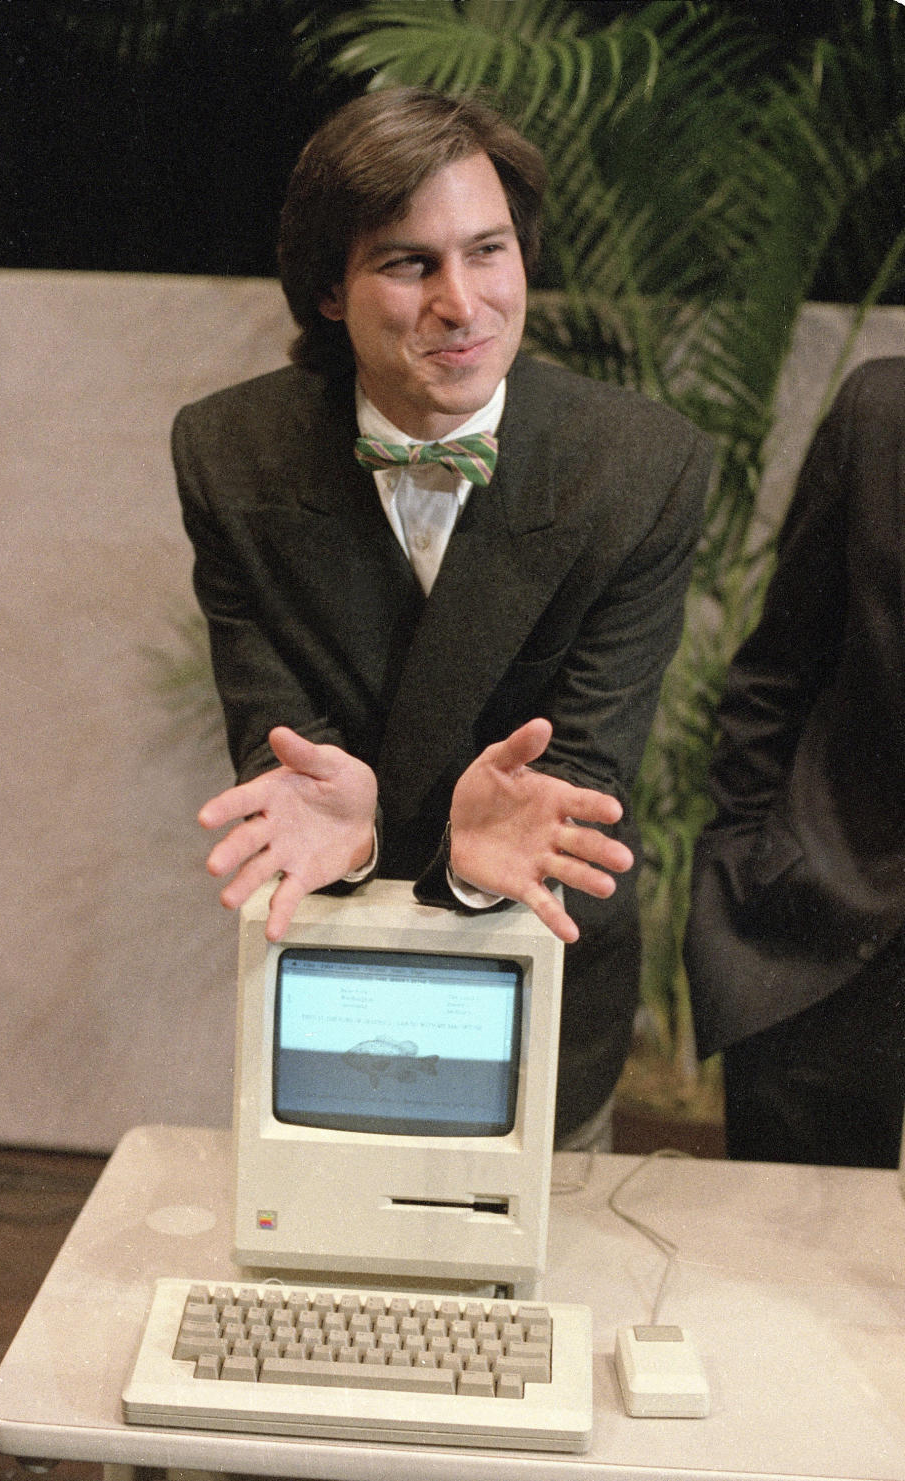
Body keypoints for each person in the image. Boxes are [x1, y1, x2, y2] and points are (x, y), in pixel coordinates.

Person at [173, 87, 712, 1146]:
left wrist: (473, 863)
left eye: (488, 251)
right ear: (329, 289)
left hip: (538, 954)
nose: (462, 303)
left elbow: (581, 773)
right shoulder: (231, 454)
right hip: (333, 967)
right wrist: (353, 823)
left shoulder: (641, 464)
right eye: (409, 263)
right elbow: (275, 730)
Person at [685, 357, 905, 1167]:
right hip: (822, 940)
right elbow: (778, 668)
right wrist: (750, 853)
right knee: (779, 1272)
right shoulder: (881, 411)